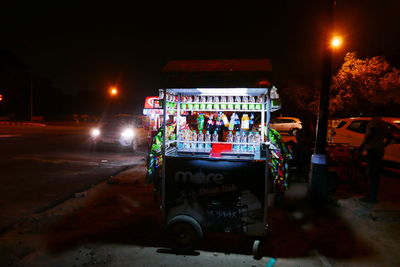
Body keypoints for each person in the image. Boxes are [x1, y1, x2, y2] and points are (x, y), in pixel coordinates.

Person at [358, 105, 392, 203]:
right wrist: (382, 145)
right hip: (379, 150)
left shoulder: (374, 122)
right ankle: (372, 194)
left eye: (372, 110)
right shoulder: (384, 123)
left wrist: (362, 146)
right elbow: (389, 137)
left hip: (372, 151)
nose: (370, 111)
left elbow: (371, 134)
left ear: (376, 112)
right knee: (375, 173)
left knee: (371, 173)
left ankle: (371, 197)